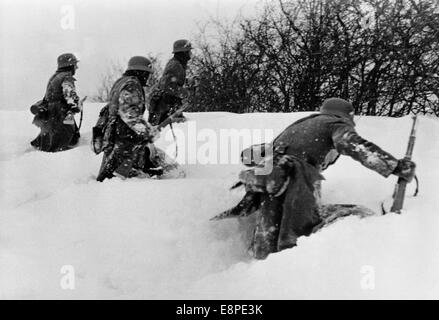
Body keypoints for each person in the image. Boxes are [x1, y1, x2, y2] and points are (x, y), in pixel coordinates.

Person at [226, 98, 416, 260]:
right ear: (346, 116)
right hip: (295, 177)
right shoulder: (335, 124)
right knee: (302, 234)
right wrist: (395, 166)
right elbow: (351, 144)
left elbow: (247, 155)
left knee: (268, 240)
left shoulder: (299, 127)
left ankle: (259, 282)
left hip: (268, 181)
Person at [30, 53, 82, 152]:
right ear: (69, 65)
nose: (77, 67)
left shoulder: (54, 77)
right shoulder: (66, 77)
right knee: (63, 141)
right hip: (60, 113)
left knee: (52, 137)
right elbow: (69, 96)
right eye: (75, 65)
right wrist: (76, 105)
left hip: (52, 113)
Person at [148, 39, 192, 126]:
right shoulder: (175, 65)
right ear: (183, 53)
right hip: (165, 106)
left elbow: (172, 82)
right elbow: (167, 86)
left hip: (168, 104)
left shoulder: (178, 64)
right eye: (188, 51)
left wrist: (187, 82)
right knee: (165, 132)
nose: (190, 54)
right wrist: (185, 93)